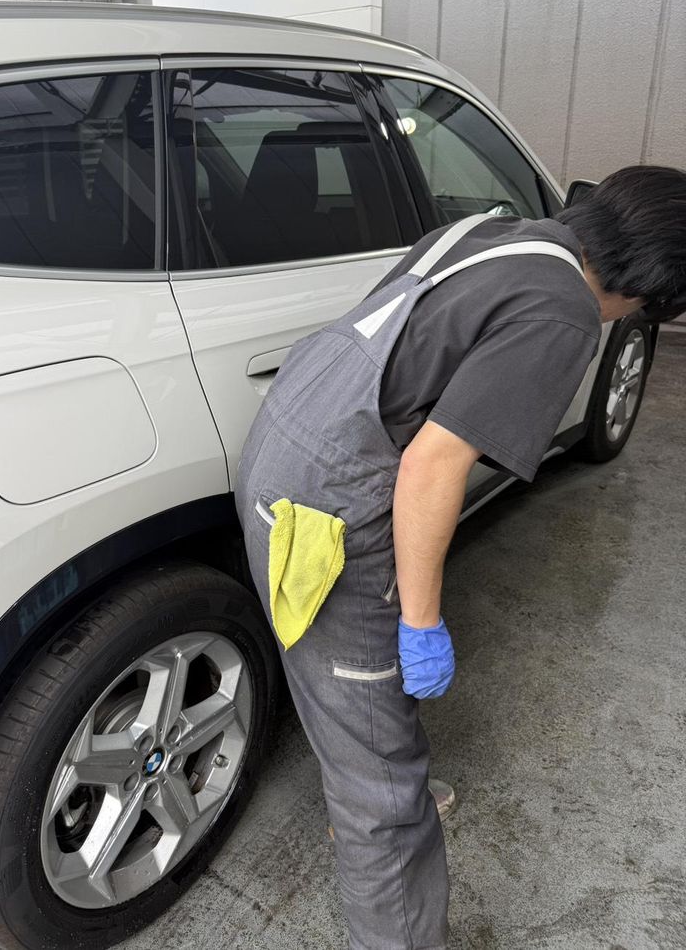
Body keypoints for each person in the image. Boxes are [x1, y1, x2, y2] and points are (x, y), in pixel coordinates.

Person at [235, 165, 686, 950]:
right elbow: (433, 465)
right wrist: (419, 622)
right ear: (646, 290)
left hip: (286, 443)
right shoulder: (564, 311)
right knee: (384, 781)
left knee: (333, 679)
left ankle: (363, 777)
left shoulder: (493, 230)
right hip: (329, 501)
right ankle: (381, 836)